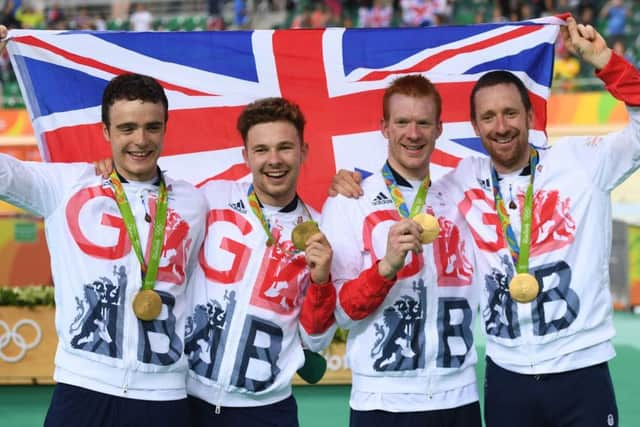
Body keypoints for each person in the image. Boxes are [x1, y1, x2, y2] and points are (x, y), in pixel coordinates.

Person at [331, 16, 639, 427]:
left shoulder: (582, 161)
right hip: (506, 374)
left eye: (511, 113)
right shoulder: (460, 182)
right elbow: (406, 181)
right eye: (488, 117)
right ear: (474, 127)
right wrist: (353, 180)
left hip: (581, 368)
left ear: (530, 116)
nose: (501, 126)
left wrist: (604, 60)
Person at [0, 68, 207, 426]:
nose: (140, 140)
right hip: (82, 388)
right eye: (127, 128)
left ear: (165, 129)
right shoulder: (66, 186)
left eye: (152, 127)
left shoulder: (194, 201)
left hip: (164, 394)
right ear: (106, 132)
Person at [321, 74, 481, 427]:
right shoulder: (351, 201)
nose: (413, 133)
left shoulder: (462, 196)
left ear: (439, 129)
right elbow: (341, 313)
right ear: (384, 127)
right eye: (402, 122)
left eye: (423, 122)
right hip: (382, 401)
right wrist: (385, 267)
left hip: (459, 398)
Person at [183, 97, 337, 426]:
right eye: (262, 150)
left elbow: (317, 341)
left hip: (267, 410)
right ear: (246, 156)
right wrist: (108, 175)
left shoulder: (322, 231)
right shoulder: (212, 198)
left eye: (285, 147)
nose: (274, 160)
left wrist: (321, 281)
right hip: (186, 398)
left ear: (304, 151)